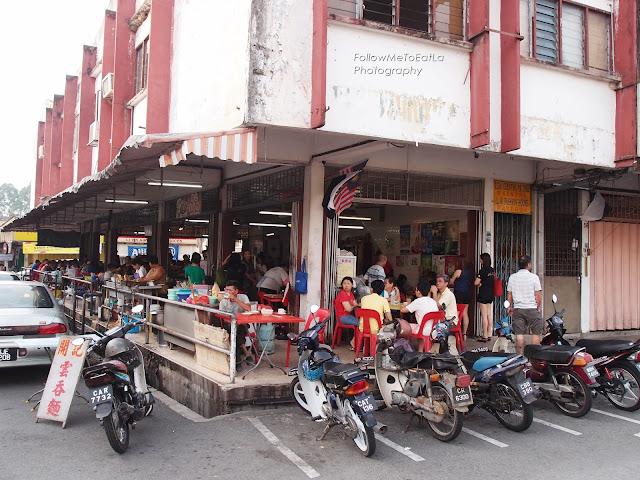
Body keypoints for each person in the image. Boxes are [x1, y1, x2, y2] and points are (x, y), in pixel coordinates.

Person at [507, 255, 542, 355]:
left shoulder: (512, 277)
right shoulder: (534, 277)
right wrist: (538, 306)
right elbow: (538, 294)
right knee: (535, 333)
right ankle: (533, 357)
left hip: (518, 308)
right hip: (532, 308)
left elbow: (509, 293)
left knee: (519, 334)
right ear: (528, 265)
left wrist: (510, 306)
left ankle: (520, 357)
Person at [218, 280, 254, 370]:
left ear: (236, 291)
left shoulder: (243, 297)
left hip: (242, 324)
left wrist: (236, 300)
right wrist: (234, 322)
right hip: (230, 324)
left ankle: (237, 362)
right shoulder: (223, 302)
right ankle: (245, 354)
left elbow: (249, 309)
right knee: (238, 331)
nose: (228, 292)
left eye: (230, 290)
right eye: (227, 290)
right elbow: (224, 319)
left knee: (240, 329)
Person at [401, 282, 438, 351]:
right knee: (420, 326)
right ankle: (420, 351)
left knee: (404, 327)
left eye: (416, 290)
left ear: (418, 292)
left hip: (423, 330)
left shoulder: (418, 301)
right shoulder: (433, 301)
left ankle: (408, 350)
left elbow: (402, 310)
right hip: (433, 330)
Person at [429, 274, 459, 354]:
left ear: (446, 284)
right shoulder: (439, 294)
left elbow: (437, 306)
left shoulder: (448, 294)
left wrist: (434, 293)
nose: (437, 283)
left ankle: (441, 351)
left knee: (437, 330)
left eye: (440, 281)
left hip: (450, 321)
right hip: (440, 320)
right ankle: (430, 350)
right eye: (437, 281)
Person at [450, 258, 473, 341]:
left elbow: (451, 281)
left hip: (459, 293)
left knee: (458, 313)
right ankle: (464, 334)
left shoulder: (458, 271)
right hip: (467, 293)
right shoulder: (468, 272)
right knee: (465, 313)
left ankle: (457, 332)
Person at [333, 276, 359, 349]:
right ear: (342, 285)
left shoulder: (350, 294)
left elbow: (355, 304)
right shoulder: (343, 294)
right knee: (362, 324)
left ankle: (357, 342)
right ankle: (354, 343)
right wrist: (354, 306)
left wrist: (355, 305)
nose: (346, 285)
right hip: (343, 317)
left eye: (348, 283)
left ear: (352, 285)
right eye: (344, 283)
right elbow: (349, 309)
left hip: (349, 316)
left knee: (362, 323)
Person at [474, 253, 495, 342]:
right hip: (490, 293)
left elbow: (476, 282)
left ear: (483, 260)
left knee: (484, 315)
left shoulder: (482, 271)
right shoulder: (492, 270)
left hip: (483, 294)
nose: (480, 261)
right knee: (489, 315)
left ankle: (484, 335)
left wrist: (479, 283)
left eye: (481, 259)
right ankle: (490, 333)